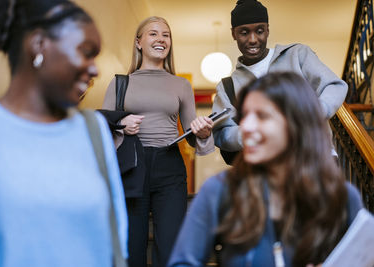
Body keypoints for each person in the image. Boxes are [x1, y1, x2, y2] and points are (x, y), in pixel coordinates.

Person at [0, 1, 127, 266]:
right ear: (39, 44)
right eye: (86, 52)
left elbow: (115, 236)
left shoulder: (94, 130)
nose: (95, 69)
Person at [168, 72, 364, 267]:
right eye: (245, 116)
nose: (246, 127)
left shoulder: (342, 198)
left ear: (298, 124)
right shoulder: (218, 191)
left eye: (262, 116)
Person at [102, 16, 215, 267]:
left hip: (170, 165)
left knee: (171, 246)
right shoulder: (121, 83)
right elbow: (101, 128)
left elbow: (191, 132)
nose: (161, 39)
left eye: (166, 34)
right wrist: (121, 125)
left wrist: (203, 132)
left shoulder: (181, 85)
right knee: (132, 247)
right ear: (139, 42)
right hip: (132, 167)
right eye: (153, 34)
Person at [212, 0, 348, 164]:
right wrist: (256, 133)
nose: (253, 39)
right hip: (267, 170)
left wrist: (310, 114)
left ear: (268, 30)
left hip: (316, 159)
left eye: (260, 31)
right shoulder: (227, 86)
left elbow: (335, 86)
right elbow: (222, 133)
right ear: (233, 33)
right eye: (244, 32)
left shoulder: (297, 55)